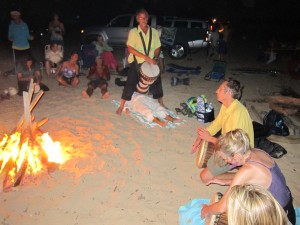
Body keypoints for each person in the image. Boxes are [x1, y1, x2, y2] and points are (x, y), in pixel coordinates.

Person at [200, 129, 296, 225]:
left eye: (225, 158)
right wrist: (226, 181)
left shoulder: (248, 170)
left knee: (238, 207)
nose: (226, 161)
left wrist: (207, 209)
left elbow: (221, 207)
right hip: (287, 207)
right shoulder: (257, 152)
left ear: (237, 156)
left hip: (281, 218)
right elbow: (256, 179)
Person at [191, 78, 254, 184]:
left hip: (237, 153)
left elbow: (233, 148)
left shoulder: (237, 113)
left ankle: (246, 176)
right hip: (228, 145)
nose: (216, 91)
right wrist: (201, 136)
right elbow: (217, 123)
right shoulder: (227, 105)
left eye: (220, 89)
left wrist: (209, 138)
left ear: (228, 93)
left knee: (205, 177)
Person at [116, 8, 165, 115]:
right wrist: (146, 57)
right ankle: (121, 105)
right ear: (137, 19)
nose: (143, 19)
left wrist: (155, 57)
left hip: (151, 61)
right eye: (141, 18)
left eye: (145, 17)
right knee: (131, 82)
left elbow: (157, 47)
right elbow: (130, 49)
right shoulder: (133, 32)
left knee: (157, 80)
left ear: (148, 18)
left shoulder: (154, 32)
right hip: (137, 60)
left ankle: (161, 103)